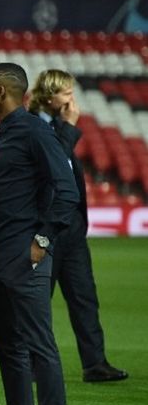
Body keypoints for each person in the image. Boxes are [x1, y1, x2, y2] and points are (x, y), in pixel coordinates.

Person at [0, 63, 79, 405]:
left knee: (39, 345)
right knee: (8, 345)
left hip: (24, 256)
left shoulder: (36, 131)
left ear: (3, 92)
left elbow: (66, 190)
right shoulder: (6, 132)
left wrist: (42, 240)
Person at [29, 69, 128, 383]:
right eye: (66, 93)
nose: (72, 99)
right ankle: (30, 364)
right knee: (38, 299)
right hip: (47, 226)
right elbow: (55, 162)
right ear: (48, 97)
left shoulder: (58, 127)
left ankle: (94, 362)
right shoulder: (35, 127)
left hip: (71, 228)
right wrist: (69, 125)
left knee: (84, 296)